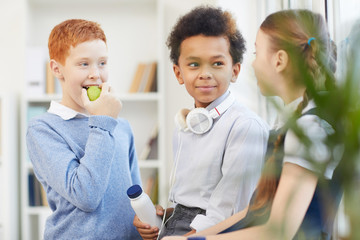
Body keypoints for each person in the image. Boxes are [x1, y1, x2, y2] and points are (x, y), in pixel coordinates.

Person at [162, 9, 343, 240]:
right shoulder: (293, 124)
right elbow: (254, 210)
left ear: (279, 60)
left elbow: (279, 232)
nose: (253, 64)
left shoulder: (309, 128)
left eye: (257, 53)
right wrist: (188, 239)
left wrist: (199, 239)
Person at [134, 6, 269, 240]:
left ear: (235, 70)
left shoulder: (245, 126)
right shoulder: (185, 125)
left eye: (217, 64)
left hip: (214, 232)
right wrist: (161, 219)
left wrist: (181, 237)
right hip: (180, 226)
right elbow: (190, 201)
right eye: (194, 64)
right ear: (178, 73)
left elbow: (228, 210)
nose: (205, 73)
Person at [26, 19, 142, 239]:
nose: (95, 74)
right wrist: (102, 120)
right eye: (83, 64)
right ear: (57, 69)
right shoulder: (43, 129)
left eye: (102, 63)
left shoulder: (120, 125)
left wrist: (146, 219)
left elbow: (136, 195)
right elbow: (86, 195)